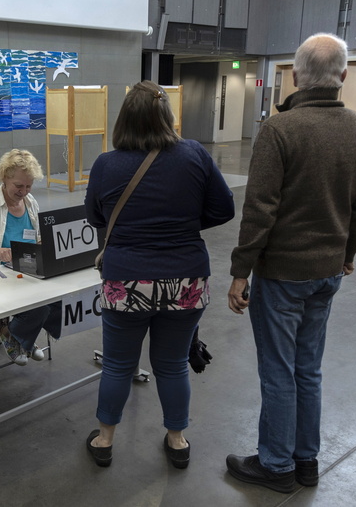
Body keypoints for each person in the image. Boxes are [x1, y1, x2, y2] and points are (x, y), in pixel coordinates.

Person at [225, 33, 356, 493]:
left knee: (278, 371)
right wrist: (346, 254)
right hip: (328, 272)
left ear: (294, 76)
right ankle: (305, 461)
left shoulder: (279, 129)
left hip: (283, 274)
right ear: (343, 76)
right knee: (308, 369)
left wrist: (240, 271)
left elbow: (260, 209)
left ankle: (275, 465)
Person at [83, 80, 235, 469]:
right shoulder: (194, 155)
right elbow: (224, 209)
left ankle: (104, 440)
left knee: (117, 364)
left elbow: (95, 217)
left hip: (126, 280)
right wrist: (183, 223)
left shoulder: (106, 163)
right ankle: (177, 439)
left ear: (123, 119)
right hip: (185, 279)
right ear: (167, 114)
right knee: (171, 364)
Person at [0, 149, 61, 366]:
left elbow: (36, 238)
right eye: (19, 186)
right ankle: (13, 335)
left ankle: (21, 336)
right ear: (4, 178)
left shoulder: (30, 202)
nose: (24, 191)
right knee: (41, 305)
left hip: (27, 270)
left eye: (28, 186)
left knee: (57, 296)